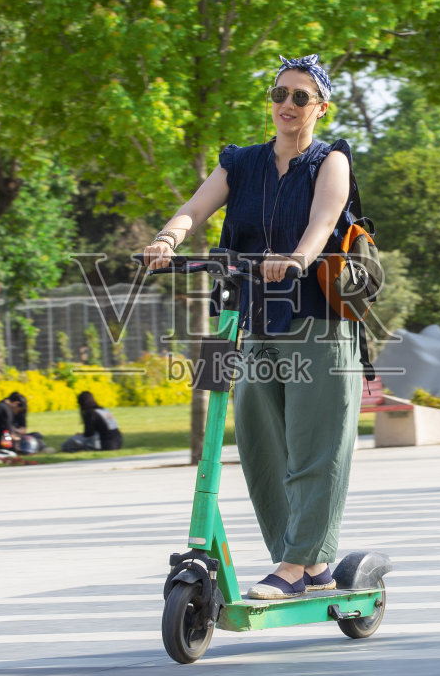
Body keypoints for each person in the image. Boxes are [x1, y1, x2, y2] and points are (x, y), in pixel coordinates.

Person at [142, 53, 357, 602]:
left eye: (300, 97)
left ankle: (295, 566)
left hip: (317, 320)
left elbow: (324, 222)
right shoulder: (240, 163)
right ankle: (309, 563)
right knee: (261, 447)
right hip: (252, 316)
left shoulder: (330, 160)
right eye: (279, 94)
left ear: (321, 108)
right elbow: (195, 208)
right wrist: (168, 238)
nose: (287, 105)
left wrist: (298, 259)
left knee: (315, 445)